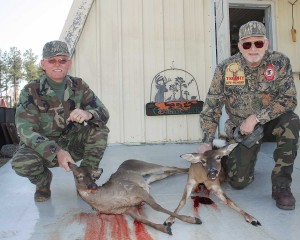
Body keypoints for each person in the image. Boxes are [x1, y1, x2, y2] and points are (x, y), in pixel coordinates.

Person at [199, 21, 299, 210]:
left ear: (266, 43)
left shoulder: (280, 62)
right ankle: (230, 156)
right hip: (242, 131)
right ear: (239, 46)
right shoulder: (226, 68)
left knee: (291, 121)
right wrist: (206, 140)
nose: (253, 49)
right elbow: (212, 106)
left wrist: (256, 118)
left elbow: (289, 100)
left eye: (258, 43)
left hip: (269, 123)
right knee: (239, 183)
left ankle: (281, 186)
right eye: (247, 44)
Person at [11, 40, 110, 202]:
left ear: (68, 63)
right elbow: (25, 131)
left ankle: (84, 179)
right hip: (43, 148)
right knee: (21, 163)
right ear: (43, 64)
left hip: (73, 143)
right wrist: (56, 151)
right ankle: (43, 182)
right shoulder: (31, 91)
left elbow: (104, 113)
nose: (57, 64)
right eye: (52, 60)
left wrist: (88, 114)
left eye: (62, 60)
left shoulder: (79, 85)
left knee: (100, 130)